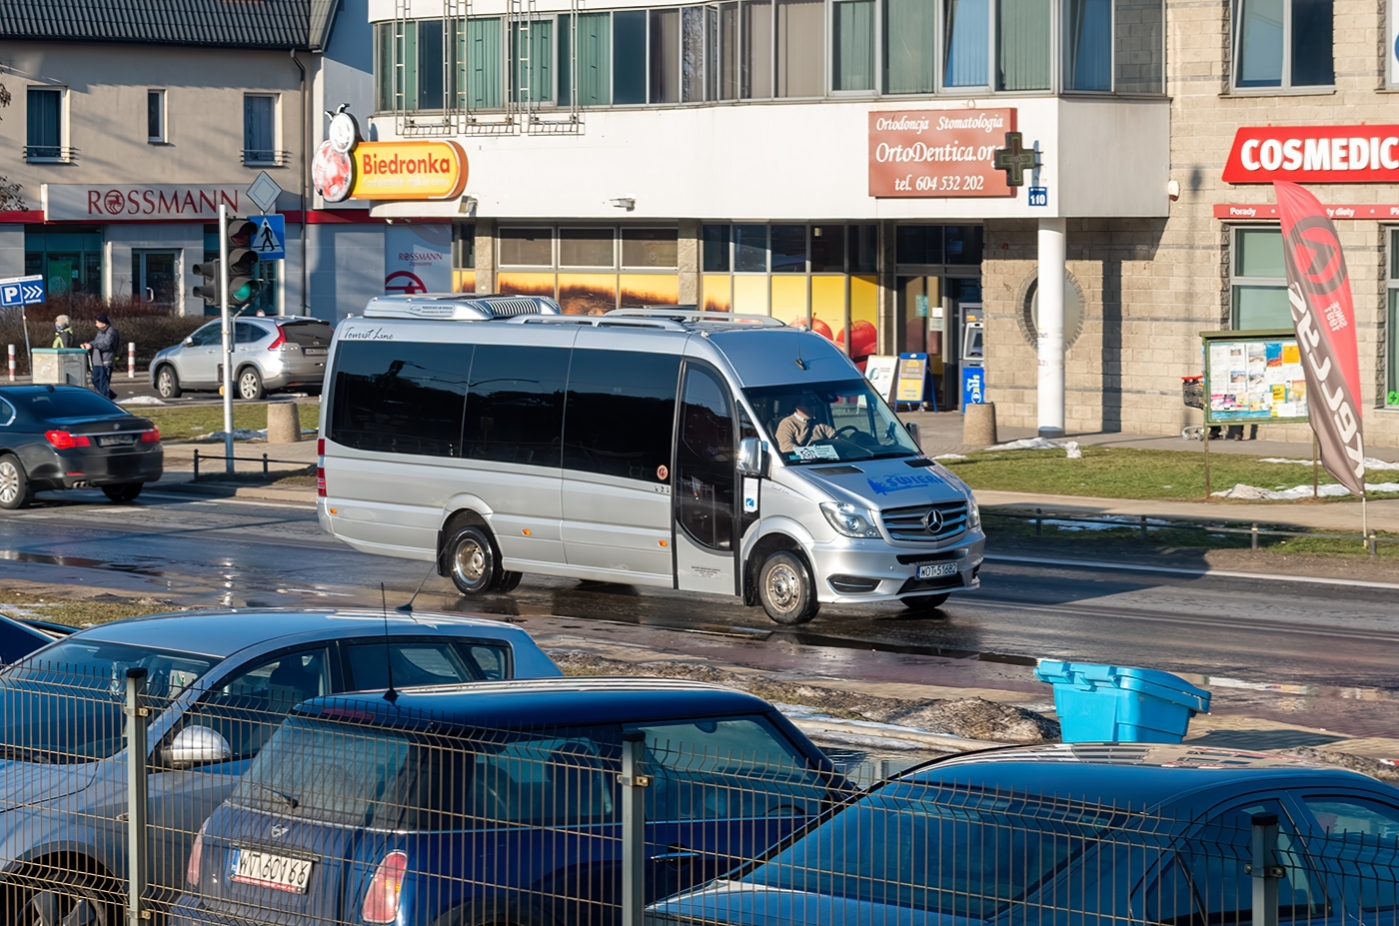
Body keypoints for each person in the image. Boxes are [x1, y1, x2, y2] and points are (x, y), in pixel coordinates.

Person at [81, 313, 119, 400]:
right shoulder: (100, 332)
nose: (96, 324)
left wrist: (93, 346)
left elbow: (106, 345)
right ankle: (110, 395)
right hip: (97, 361)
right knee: (95, 380)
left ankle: (105, 399)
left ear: (103, 323)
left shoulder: (111, 332)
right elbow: (96, 341)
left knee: (103, 382)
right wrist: (89, 344)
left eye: (97, 322)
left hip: (105, 361)